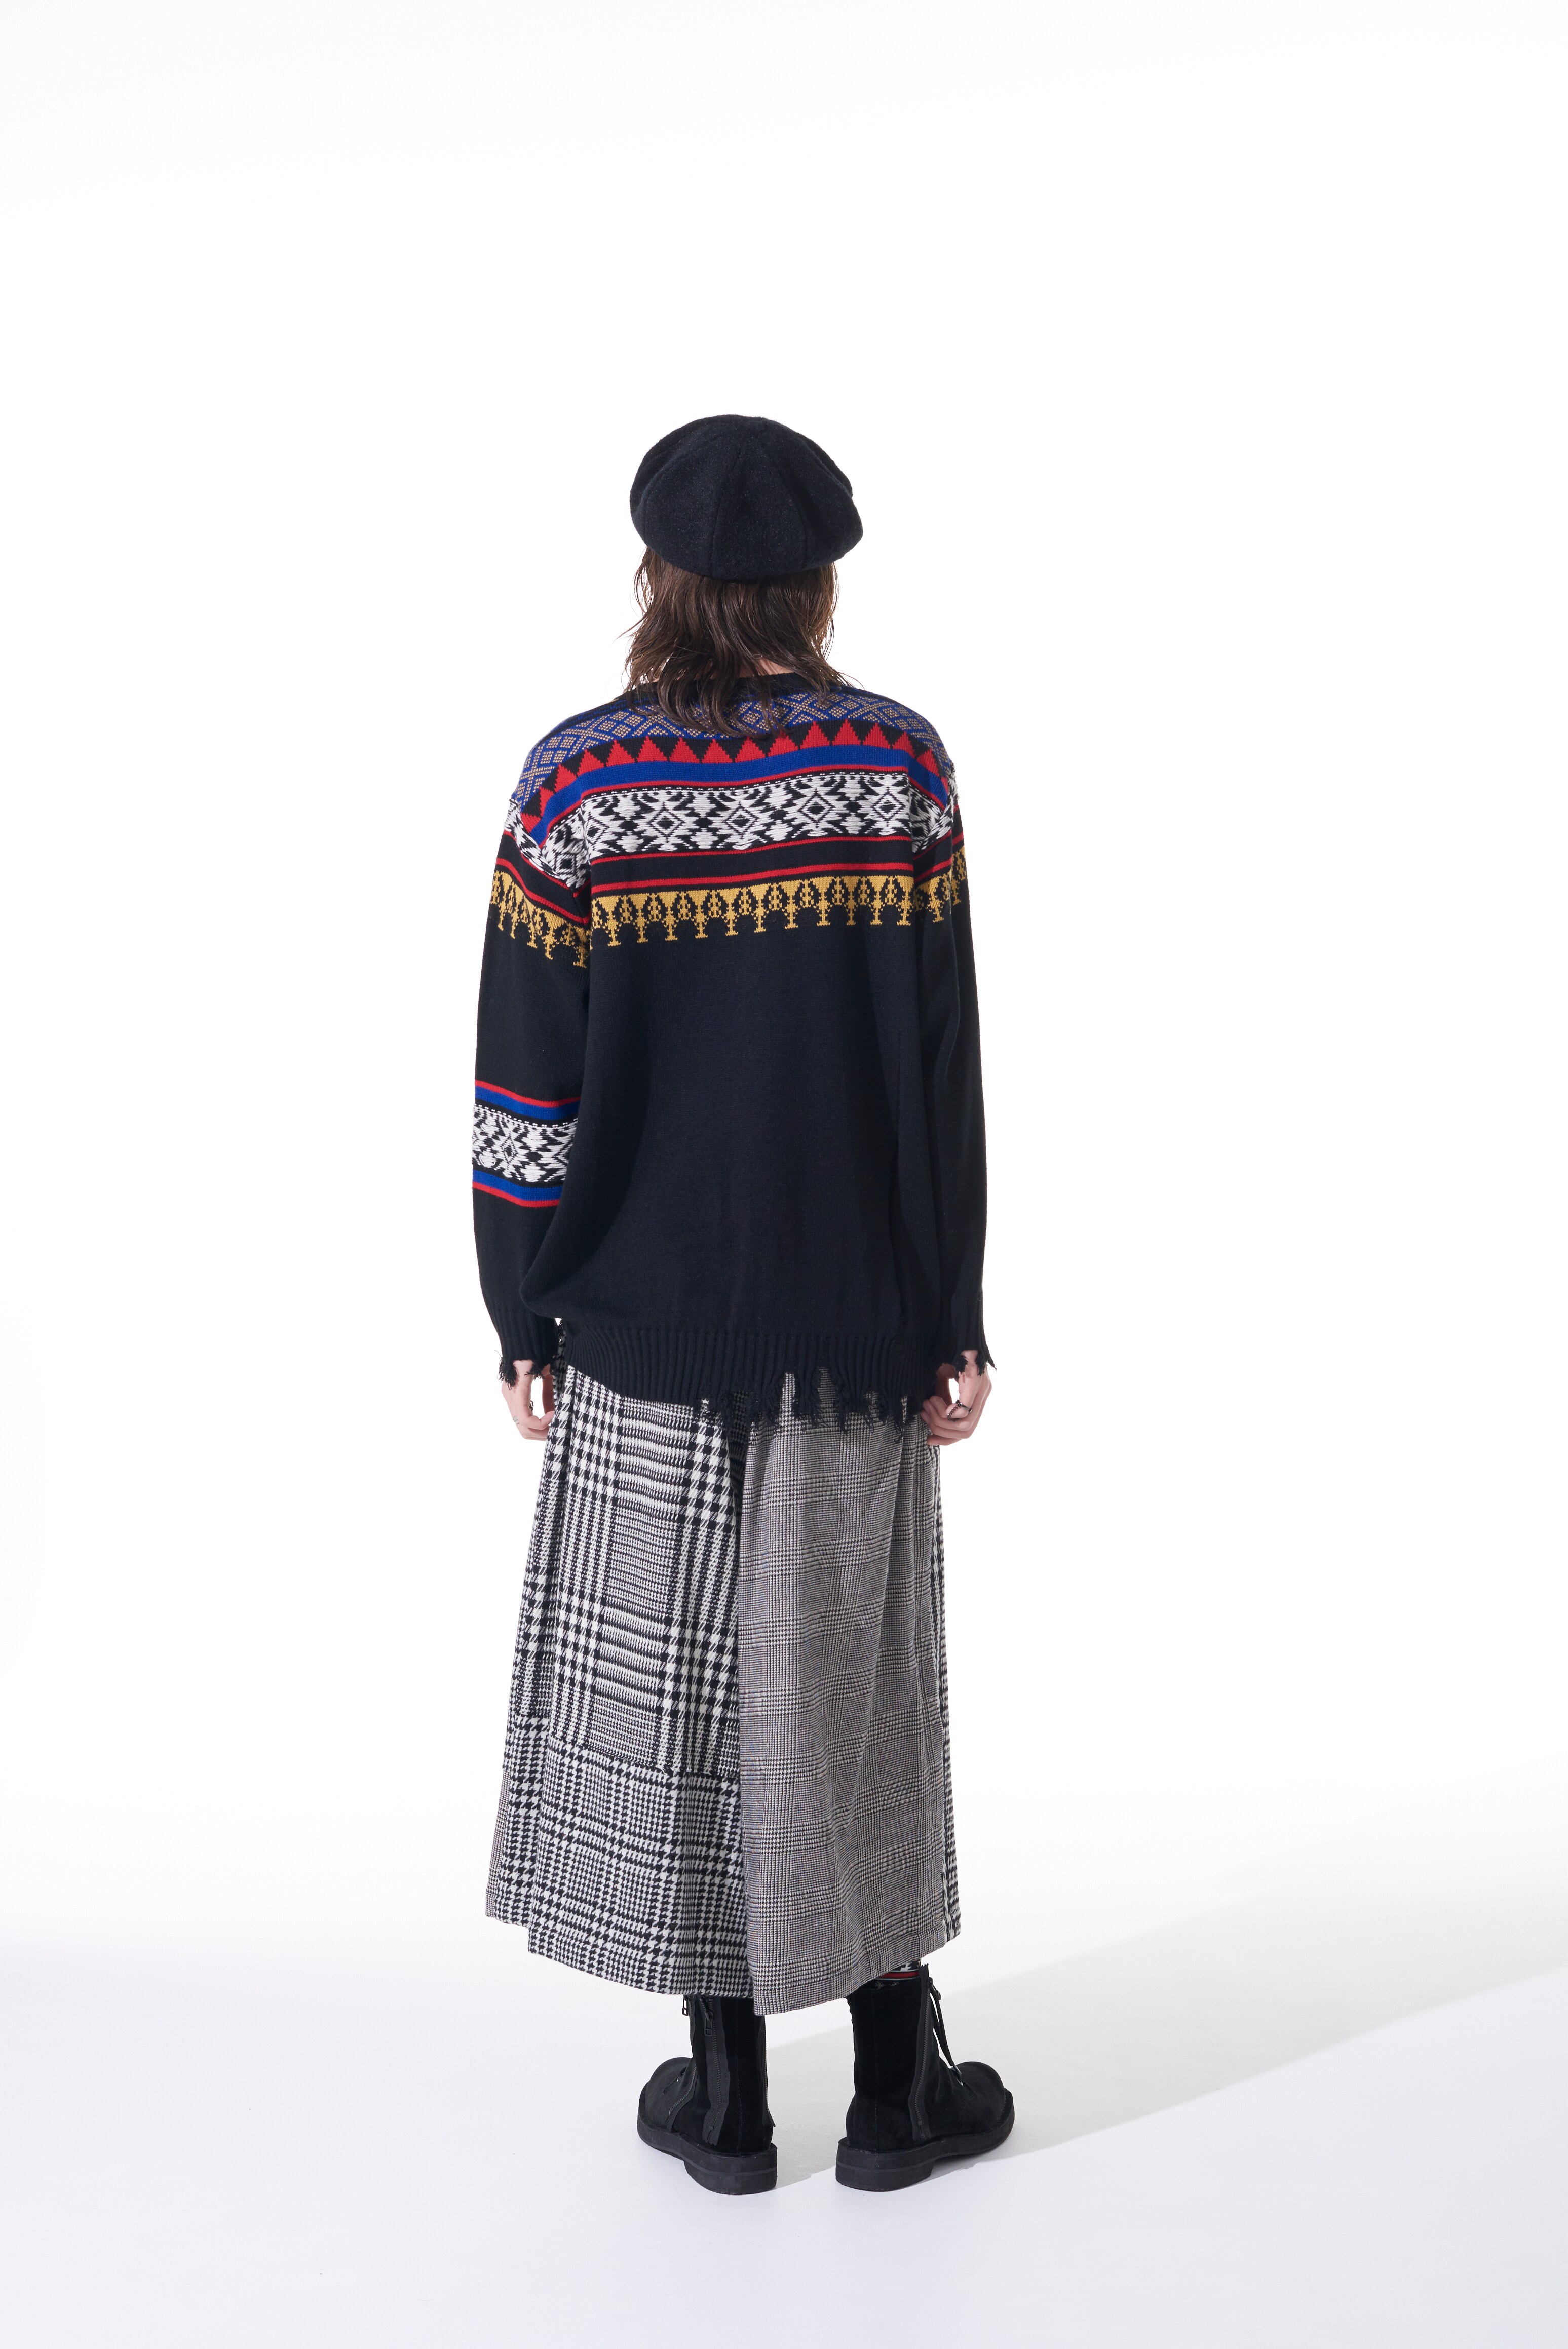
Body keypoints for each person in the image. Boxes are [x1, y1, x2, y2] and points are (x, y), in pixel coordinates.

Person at [472, 413, 1011, 2194]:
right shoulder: (897, 767)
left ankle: (724, 2102)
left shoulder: (575, 783)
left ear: (662, 576)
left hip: (639, 1329)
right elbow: (939, 1075)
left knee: (684, 1703)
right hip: (854, 1325)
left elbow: (524, 1086)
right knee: (850, 1698)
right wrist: (952, 1311)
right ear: (817, 582)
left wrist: (521, 1310)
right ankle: (893, 2096)